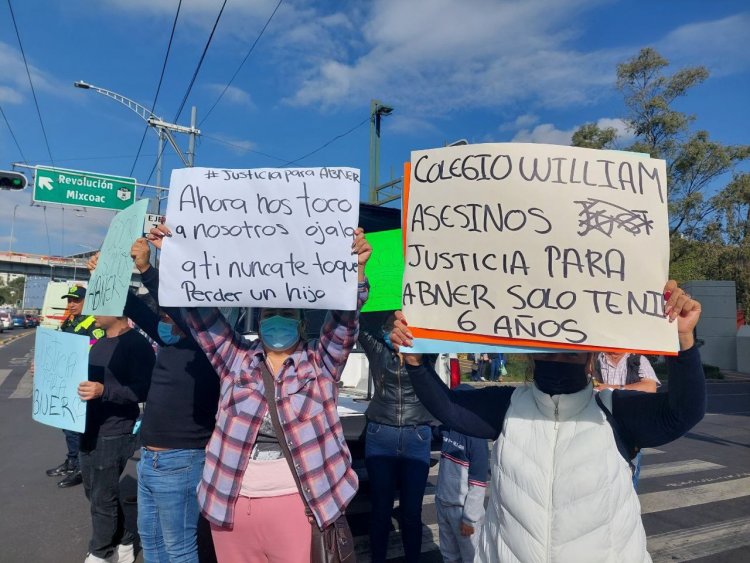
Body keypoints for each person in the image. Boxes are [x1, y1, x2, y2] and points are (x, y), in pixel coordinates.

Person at [389, 281, 706, 562]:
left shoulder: (614, 411)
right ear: (531, 354)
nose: (558, 362)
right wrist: (417, 363)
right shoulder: (508, 405)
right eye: (548, 352)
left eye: (569, 354)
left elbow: (684, 412)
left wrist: (684, 339)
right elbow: (447, 407)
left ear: (589, 358)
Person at [146, 223, 371, 562]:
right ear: (258, 320)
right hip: (231, 508)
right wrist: (176, 256)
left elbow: (344, 322)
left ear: (301, 324)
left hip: (300, 507)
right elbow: (201, 315)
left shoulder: (319, 364)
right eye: (268, 314)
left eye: (286, 315)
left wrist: (355, 273)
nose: (276, 321)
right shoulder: (236, 360)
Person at [88, 243, 221, 563]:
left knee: (178, 547)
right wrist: (106, 274)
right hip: (150, 459)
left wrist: (148, 270)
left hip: (181, 461)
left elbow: (177, 307)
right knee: (152, 541)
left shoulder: (205, 348)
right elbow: (134, 307)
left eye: (168, 314)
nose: (161, 319)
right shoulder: (168, 342)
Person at [358, 314, 436, 563]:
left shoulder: (427, 351)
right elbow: (359, 321)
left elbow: (444, 324)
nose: (402, 327)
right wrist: (384, 326)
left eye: (406, 323)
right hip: (381, 434)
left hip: (417, 435)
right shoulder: (376, 346)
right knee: (381, 510)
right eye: (396, 323)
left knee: (412, 512)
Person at [78, 314, 155, 563]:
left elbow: (144, 388)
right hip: (87, 427)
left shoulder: (136, 344)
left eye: (100, 307)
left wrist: (105, 391)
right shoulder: (98, 343)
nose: (93, 314)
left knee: (102, 496)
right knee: (94, 491)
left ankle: (99, 551)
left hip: (115, 430)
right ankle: (126, 537)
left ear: (118, 310)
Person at [45, 285, 105, 489]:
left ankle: (80, 466)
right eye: (69, 300)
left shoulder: (92, 323)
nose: (71, 304)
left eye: (76, 300)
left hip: (83, 383)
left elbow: (94, 351)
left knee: (77, 427)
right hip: (66, 381)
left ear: (86, 301)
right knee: (66, 425)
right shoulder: (70, 321)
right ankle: (71, 460)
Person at [435, 385, 489, 563]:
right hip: (443, 504)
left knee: (471, 557)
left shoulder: (476, 437)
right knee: (449, 555)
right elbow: (434, 430)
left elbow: (479, 482)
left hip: (463, 513)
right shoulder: (448, 428)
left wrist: (469, 519)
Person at [592, 351, 660, 489]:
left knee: (628, 475)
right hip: (598, 427)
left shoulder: (638, 360)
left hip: (629, 430)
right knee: (599, 477)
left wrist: (611, 388)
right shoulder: (594, 359)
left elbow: (650, 387)